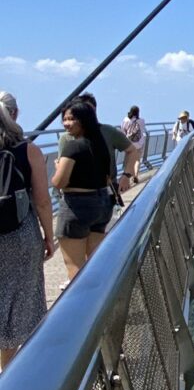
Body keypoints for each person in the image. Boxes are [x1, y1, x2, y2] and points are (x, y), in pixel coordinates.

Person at [0, 91, 55, 370]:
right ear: (14, 116)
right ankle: (10, 372)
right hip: (21, 236)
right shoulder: (29, 151)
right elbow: (43, 201)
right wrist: (49, 237)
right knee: (22, 301)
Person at [51, 100, 112, 282]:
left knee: (75, 266)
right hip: (102, 203)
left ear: (83, 120)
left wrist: (57, 168)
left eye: (71, 119)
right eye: (65, 119)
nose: (66, 124)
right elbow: (107, 176)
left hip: (77, 206)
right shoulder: (100, 144)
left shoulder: (73, 146)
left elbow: (59, 182)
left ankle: (79, 307)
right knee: (93, 263)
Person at [58, 92, 135, 194]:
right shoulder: (66, 138)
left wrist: (126, 175)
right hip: (76, 194)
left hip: (105, 191)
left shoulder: (108, 132)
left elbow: (132, 150)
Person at [121, 105, 146, 185]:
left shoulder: (126, 120)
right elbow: (142, 131)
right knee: (137, 160)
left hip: (128, 144)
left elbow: (123, 131)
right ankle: (135, 175)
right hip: (139, 143)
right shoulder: (141, 120)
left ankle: (127, 179)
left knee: (128, 161)